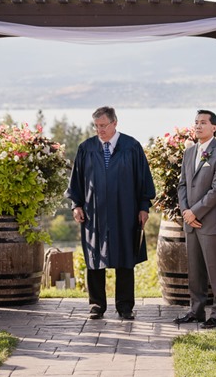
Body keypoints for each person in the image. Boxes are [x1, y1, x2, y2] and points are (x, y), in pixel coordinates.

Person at [66, 106, 155, 321]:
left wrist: (144, 207)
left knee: (125, 258)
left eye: (103, 125)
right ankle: (96, 305)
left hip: (126, 212)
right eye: (96, 126)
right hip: (93, 213)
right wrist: (76, 205)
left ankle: (125, 307)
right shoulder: (86, 148)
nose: (100, 130)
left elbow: (143, 179)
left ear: (115, 123)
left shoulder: (131, 146)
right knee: (94, 259)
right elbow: (76, 181)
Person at [174, 109, 216, 329]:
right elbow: (182, 185)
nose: (198, 126)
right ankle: (195, 311)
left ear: (214, 127)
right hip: (191, 222)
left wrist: (195, 212)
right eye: (196, 122)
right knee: (195, 270)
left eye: (203, 123)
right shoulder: (189, 153)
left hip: (210, 222)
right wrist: (185, 211)